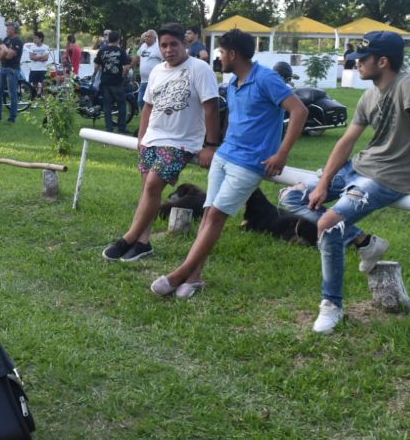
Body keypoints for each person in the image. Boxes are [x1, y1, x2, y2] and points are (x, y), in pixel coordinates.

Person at [279, 31, 410, 334]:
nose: (357, 64)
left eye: (363, 58)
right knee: (290, 196)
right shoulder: (369, 95)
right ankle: (364, 241)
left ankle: (332, 305)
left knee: (329, 224)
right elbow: (347, 141)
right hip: (358, 167)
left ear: (383, 61)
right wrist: (324, 183)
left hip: (388, 178)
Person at [150, 29, 309, 299]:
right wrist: (214, 147)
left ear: (233, 54)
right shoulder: (234, 81)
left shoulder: (266, 78)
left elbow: (299, 111)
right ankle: (194, 278)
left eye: (222, 52)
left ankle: (179, 274)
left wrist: (282, 153)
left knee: (215, 216)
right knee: (208, 213)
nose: (219, 57)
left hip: (250, 162)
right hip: (225, 155)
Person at [102, 23, 220, 262]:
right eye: (164, 45)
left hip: (182, 142)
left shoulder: (200, 69)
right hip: (153, 138)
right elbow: (148, 107)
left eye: (173, 44)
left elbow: (211, 108)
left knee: (153, 185)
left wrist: (210, 145)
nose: (168, 50)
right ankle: (143, 243)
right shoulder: (157, 71)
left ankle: (128, 238)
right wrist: (142, 136)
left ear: (184, 44)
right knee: (148, 190)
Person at [93, 30, 131, 133]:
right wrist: (123, 76)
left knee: (107, 106)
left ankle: (109, 128)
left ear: (108, 39)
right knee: (121, 105)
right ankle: (121, 128)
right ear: (118, 40)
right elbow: (126, 67)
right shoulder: (121, 51)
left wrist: (94, 76)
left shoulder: (102, 51)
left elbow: (96, 67)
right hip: (117, 82)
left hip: (105, 82)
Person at [0, 22, 24, 123]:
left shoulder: (18, 41)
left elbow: (9, 56)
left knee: (12, 94)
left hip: (12, 70)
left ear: (14, 30)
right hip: (3, 68)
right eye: (7, 28)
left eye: (9, 29)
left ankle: (12, 117)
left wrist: (2, 53)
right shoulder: (6, 39)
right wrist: (4, 52)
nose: (7, 30)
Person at [135, 29, 163, 110]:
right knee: (140, 101)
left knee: (153, 101)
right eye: (146, 36)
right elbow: (137, 57)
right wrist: (130, 66)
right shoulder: (143, 46)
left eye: (149, 37)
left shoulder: (158, 48)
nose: (146, 38)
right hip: (143, 80)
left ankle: (152, 116)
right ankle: (146, 116)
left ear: (155, 38)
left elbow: (164, 60)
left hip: (155, 80)